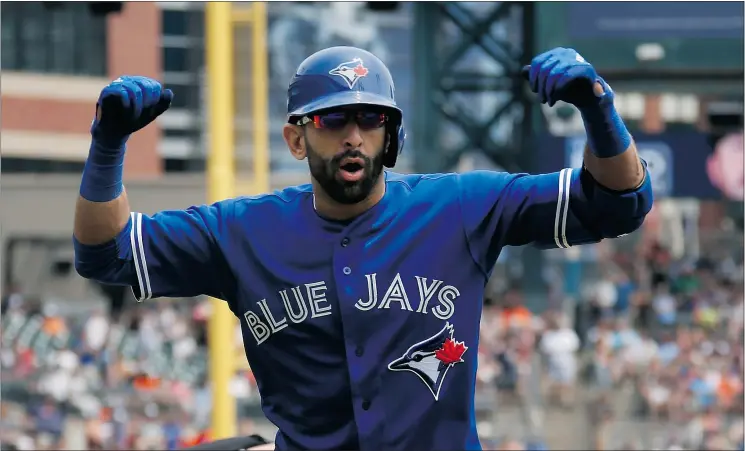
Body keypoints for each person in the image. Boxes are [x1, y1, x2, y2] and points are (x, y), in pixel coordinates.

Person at [73, 46, 653, 450]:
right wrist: (106, 147)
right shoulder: (242, 231)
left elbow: (617, 202)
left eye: (371, 118)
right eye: (332, 119)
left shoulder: (459, 206)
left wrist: (599, 111)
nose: (353, 135)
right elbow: (106, 253)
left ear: (390, 133)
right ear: (297, 138)